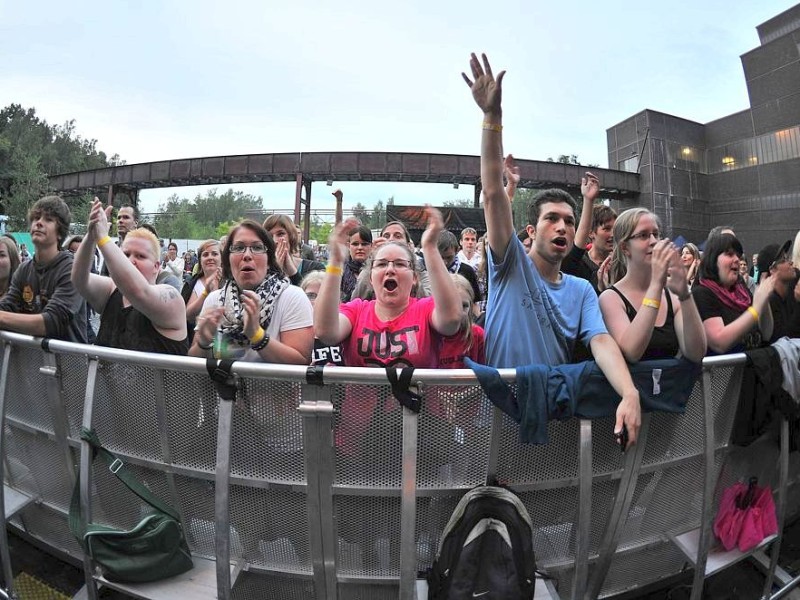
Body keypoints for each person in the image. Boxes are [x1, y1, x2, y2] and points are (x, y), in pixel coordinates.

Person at [463, 52, 640, 447]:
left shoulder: (581, 291)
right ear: (531, 228)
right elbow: (492, 192)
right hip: (493, 419)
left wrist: (629, 393)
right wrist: (492, 118)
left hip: (550, 422)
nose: (562, 226)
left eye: (570, 221)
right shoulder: (509, 265)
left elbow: (602, 342)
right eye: (552, 219)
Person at [315, 206, 462, 368]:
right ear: (371, 278)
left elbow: (452, 320)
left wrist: (430, 247)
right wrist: (335, 260)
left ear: (414, 277)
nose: (390, 269)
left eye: (400, 264)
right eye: (382, 264)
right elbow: (325, 332)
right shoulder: (356, 310)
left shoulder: (425, 309)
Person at [72, 198, 188, 354]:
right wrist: (91, 235)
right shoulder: (111, 290)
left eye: (140, 256)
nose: (130, 261)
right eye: (125, 255)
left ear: (156, 266)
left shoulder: (171, 297)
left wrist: (103, 238)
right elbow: (79, 278)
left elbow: (139, 292)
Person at [190, 220, 313, 364]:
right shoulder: (214, 300)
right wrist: (203, 343)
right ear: (228, 261)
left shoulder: (292, 297)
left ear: (269, 260)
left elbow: (301, 361)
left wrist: (257, 335)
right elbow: (193, 360)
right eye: (238, 247)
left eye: (257, 247)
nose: (247, 255)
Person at [599, 209, 706, 363]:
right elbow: (632, 351)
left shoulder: (672, 296)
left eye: (656, 234)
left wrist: (684, 295)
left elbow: (696, 353)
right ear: (625, 248)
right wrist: (656, 285)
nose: (654, 241)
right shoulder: (610, 298)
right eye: (643, 235)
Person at [0, 196, 86, 342]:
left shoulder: (72, 268)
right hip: (32, 360)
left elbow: (51, 322)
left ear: (60, 233)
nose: (39, 223)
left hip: (68, 361)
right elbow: (7, 307)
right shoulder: (23, 270)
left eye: (48, 219)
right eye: (36, 218)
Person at [692, 233, 774, 354]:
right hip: (723, 371)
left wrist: (764, 299)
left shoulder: (741, 290)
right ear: (713, 259)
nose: (737, 259)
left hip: (753, 368)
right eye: (730, 254)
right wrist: (755, 309)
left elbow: (766, 334)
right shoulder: (702, 292)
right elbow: (719, 343)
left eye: (738, 255)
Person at [756, 240, 800, 342]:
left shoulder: (791, 292)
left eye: (788, 257)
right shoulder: (768, 303)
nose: (791, 262)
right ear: (772, 270)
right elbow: (784, 341)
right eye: (784, 259)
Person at [263, 214, 325, 286]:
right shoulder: (259, 270)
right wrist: (275, 271)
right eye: (269, 236)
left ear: (291, 236)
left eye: (280, 234)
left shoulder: (314, 268)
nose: (274, 240)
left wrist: (293, 272)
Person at [301, 271, 345, 366]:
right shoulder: (293, 335)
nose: (317, 301)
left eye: (324, 295)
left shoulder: (346, 329)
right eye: (311, 296)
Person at [183, 239, 222, 341]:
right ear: (200, 260)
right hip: (198, 341)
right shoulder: (192, 283)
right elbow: (187, 315)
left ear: (222, 258)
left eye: (214, 254)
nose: (210, 257)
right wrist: (206, 293)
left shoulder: (231, 282)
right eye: (205, 255)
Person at [436, 230, 482, 312]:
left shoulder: (466, 270)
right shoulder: (429, 271)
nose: (444, 262)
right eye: (441, 257)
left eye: (449, 257)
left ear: (457, 250)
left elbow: (475, 303)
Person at [339, 225, 373, 302]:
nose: (360, 248)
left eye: (364, 244)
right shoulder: (340, 270)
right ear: (348, 246)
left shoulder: (378, 270)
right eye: (355, 244)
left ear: (371, 246)